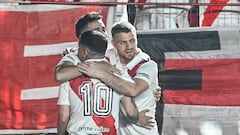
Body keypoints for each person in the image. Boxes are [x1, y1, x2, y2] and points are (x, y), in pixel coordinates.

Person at [54, 12, 160, 131]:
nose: (102, 33)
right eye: (96, 30)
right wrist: (94, 66)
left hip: (140, 130)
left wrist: (150, 89)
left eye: (103, 29)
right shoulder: (77, 58)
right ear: (83, 37)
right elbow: (60, 75)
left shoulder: (145, 63)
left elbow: (133, 89)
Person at [77, 21, 159, 135]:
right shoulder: (108, 56)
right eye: (123, 43)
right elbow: (83, 55)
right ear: (113, 43)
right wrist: (70, 53)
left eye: (132, 40)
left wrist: (100, 73)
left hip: (142, 131)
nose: (129, 46)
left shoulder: (148, 65)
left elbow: (133, 89)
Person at [57, 30, 139, 135]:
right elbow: (131, 113)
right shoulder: (119, 73)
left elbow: (63, 117)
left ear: (84, 52)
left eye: (79, 48)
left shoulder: (68, 76)